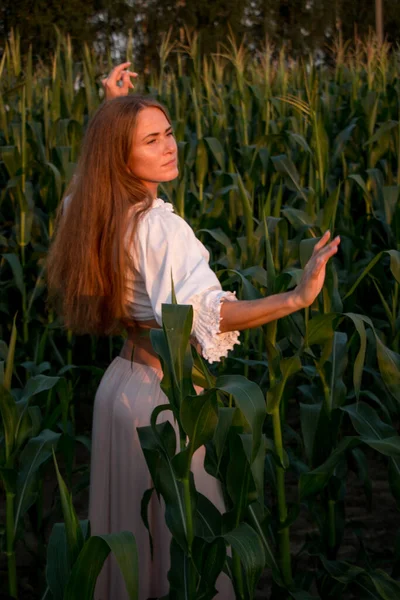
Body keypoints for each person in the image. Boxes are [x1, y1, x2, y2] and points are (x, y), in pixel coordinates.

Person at [45, 63, 341, 600]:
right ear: (121, 156)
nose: (170, 147)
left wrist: (111, 106)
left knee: (131, 544)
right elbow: (207, 316)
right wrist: (295, 298)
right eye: (151, 140)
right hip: (166, 400)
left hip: (118, 390)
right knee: (185, 546)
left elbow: (87, 175)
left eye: (170, 133)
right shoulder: (160, 227)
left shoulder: (89, 212)